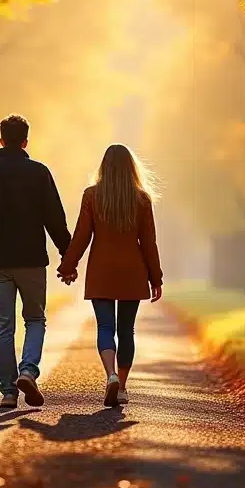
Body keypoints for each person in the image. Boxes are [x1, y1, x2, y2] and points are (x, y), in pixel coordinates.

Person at [0, 114, 71, 410]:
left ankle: (9, 391)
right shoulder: (39, 173)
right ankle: (28, 370)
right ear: (25, 141)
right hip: (32, 260)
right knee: (35, 319)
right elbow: (54, 219)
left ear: (0, 141)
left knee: (4, 326)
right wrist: (68, 256)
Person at [57, 144, 162, 407]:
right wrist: (156, 278)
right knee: (127, 330)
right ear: (131, 168)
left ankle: (111, 375)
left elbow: (82, 235)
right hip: (132, 271)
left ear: (104, 166)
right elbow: (149, 242)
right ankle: (123, 387)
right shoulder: (141, 199)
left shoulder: (92, 196)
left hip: (101, 270)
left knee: (105, 327)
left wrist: (68, 266)